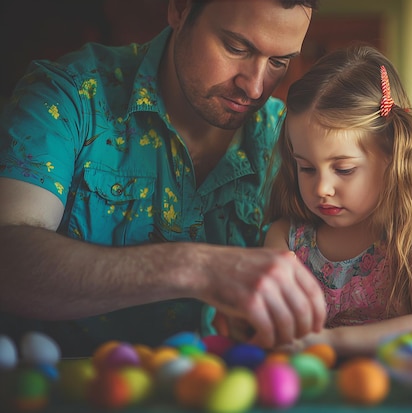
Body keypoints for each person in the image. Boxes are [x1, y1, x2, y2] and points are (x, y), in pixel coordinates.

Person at [0, 0, 327, 356]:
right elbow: (8, 255)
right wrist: (197, 268)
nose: (254, 87)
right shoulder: (69, 95)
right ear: (180, 10)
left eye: (279, 62)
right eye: (236, 48)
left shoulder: (293, 143)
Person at [261, 45, 412, 356]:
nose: (322, 188)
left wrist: (334, 341)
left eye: (343, 169)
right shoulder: (285, 238)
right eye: (306, 168)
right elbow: (272, 325)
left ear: (391, 156)